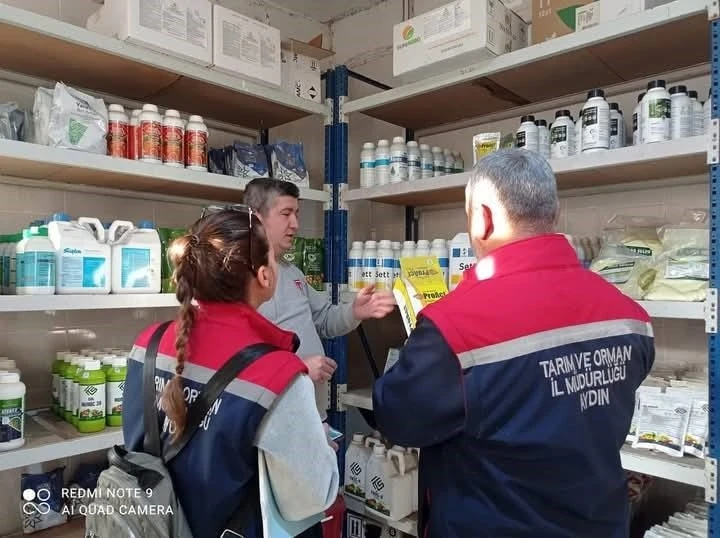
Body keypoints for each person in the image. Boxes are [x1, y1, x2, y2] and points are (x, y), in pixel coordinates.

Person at [372, 149, 655, 538]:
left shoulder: (453, 326)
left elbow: (398, 418)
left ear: (483, 218)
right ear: (554, 214)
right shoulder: (630, 317)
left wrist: (417, 352)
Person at [122, 205, 339, 538]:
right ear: (265, 276)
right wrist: (318, 446)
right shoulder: (277, 374)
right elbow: (310, 498)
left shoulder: (147, 342)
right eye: (273, 258)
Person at [243, 178, 395, 417]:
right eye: (286, 214)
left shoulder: (292, 272)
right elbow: (241, 360)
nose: (295, 224)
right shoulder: (238, 279)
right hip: (273, 418)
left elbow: (323, 319)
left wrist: (354, 311)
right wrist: (298, 367)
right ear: (257, 217)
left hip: (310, 414)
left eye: (297, 214)